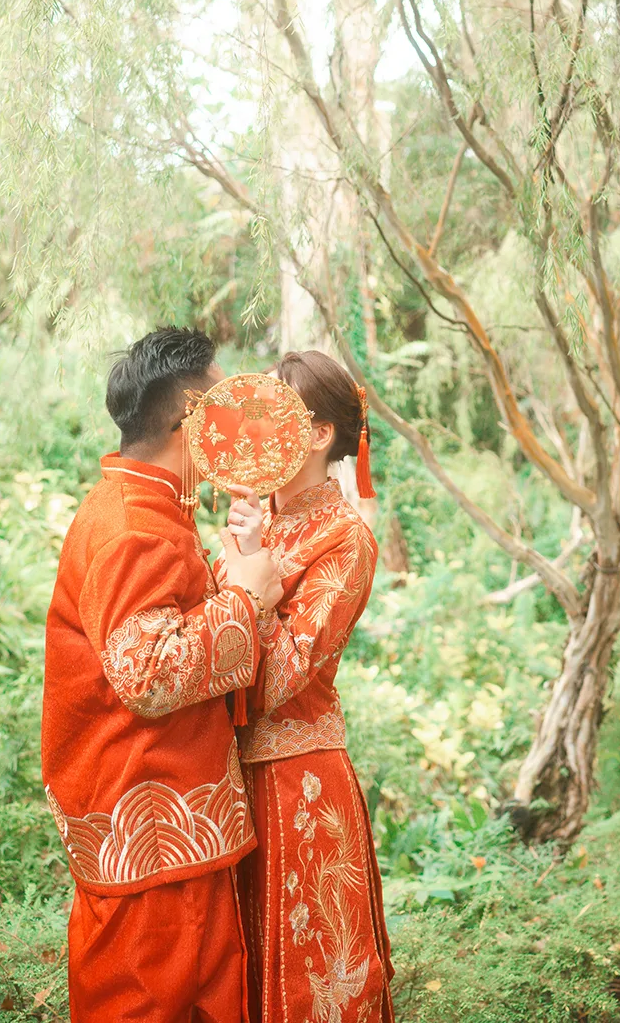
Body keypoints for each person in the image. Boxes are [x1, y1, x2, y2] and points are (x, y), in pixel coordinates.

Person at [41, 327, 283, 1023]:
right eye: (225, 410)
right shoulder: (133, 527)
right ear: (190, 420)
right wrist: (246, 598)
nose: (238, 429)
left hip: (169, 820)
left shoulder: (145, 507)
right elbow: (146, 673)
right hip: (151, 825)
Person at [219, 349, 395, 1023]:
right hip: (226, 777)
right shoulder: (255, 520)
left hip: (298, 783)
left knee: (311, 982)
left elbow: (283, 678)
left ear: (319, 434)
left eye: (274, 417)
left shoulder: (347, 538)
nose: (254, 432)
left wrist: (251, 573)